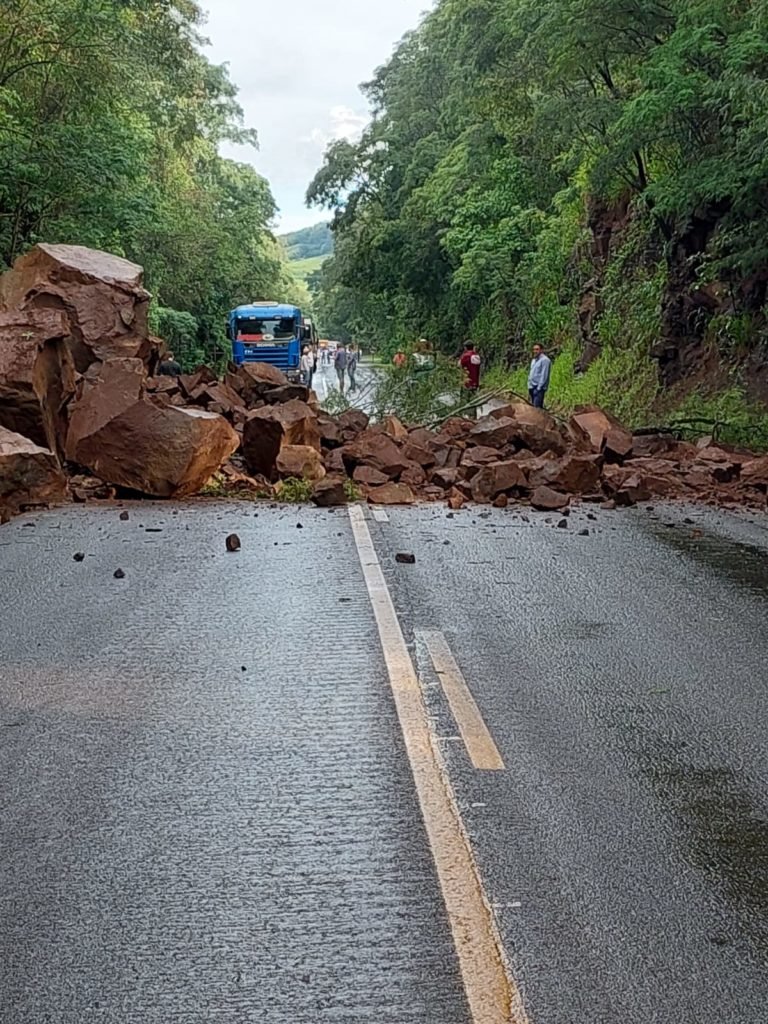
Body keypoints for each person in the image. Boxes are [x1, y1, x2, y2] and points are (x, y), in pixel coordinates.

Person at [528, 343, 552, 408]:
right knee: (533, 408)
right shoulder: (534, 360)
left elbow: (544, 375)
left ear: (541, 350)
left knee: (536, 409)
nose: (535, 351)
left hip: (538, 388)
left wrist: (539, 388)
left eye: (537, 349)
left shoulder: (545, 360)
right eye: (534, 349)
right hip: (532, 387)